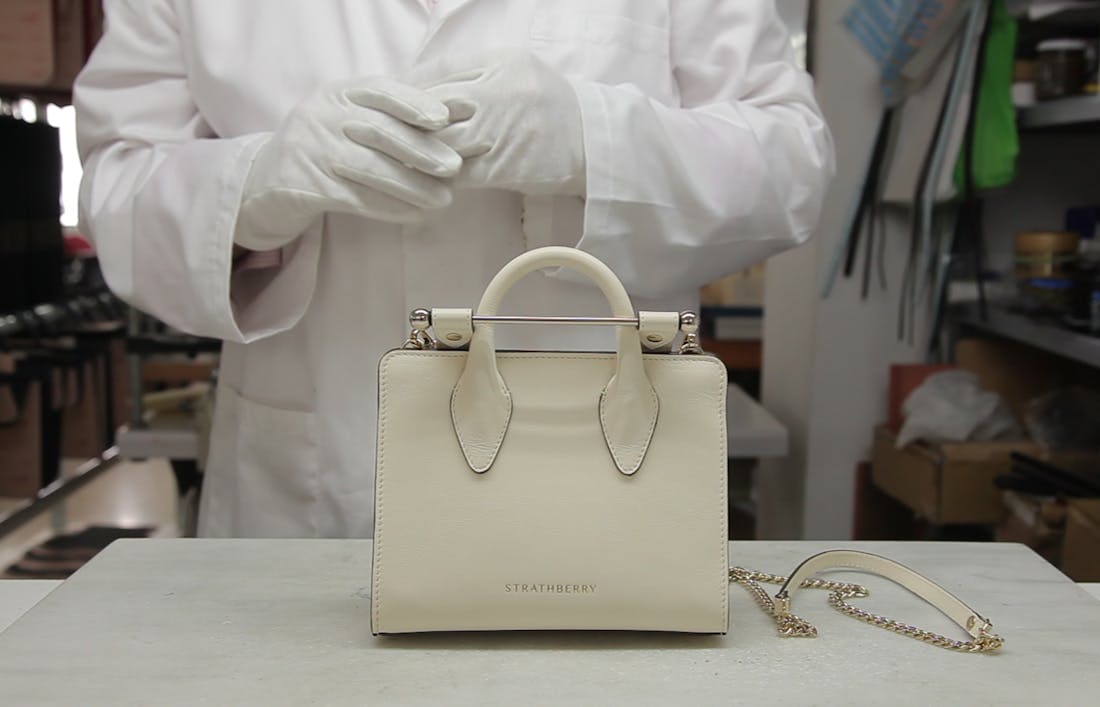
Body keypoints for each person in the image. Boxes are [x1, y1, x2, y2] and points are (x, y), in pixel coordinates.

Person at [75, 0, 834, 538]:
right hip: (312, 494)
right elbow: (117, 183)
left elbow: (790, 161)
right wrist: (252, 187)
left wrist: (593, 139)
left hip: (600, 486)